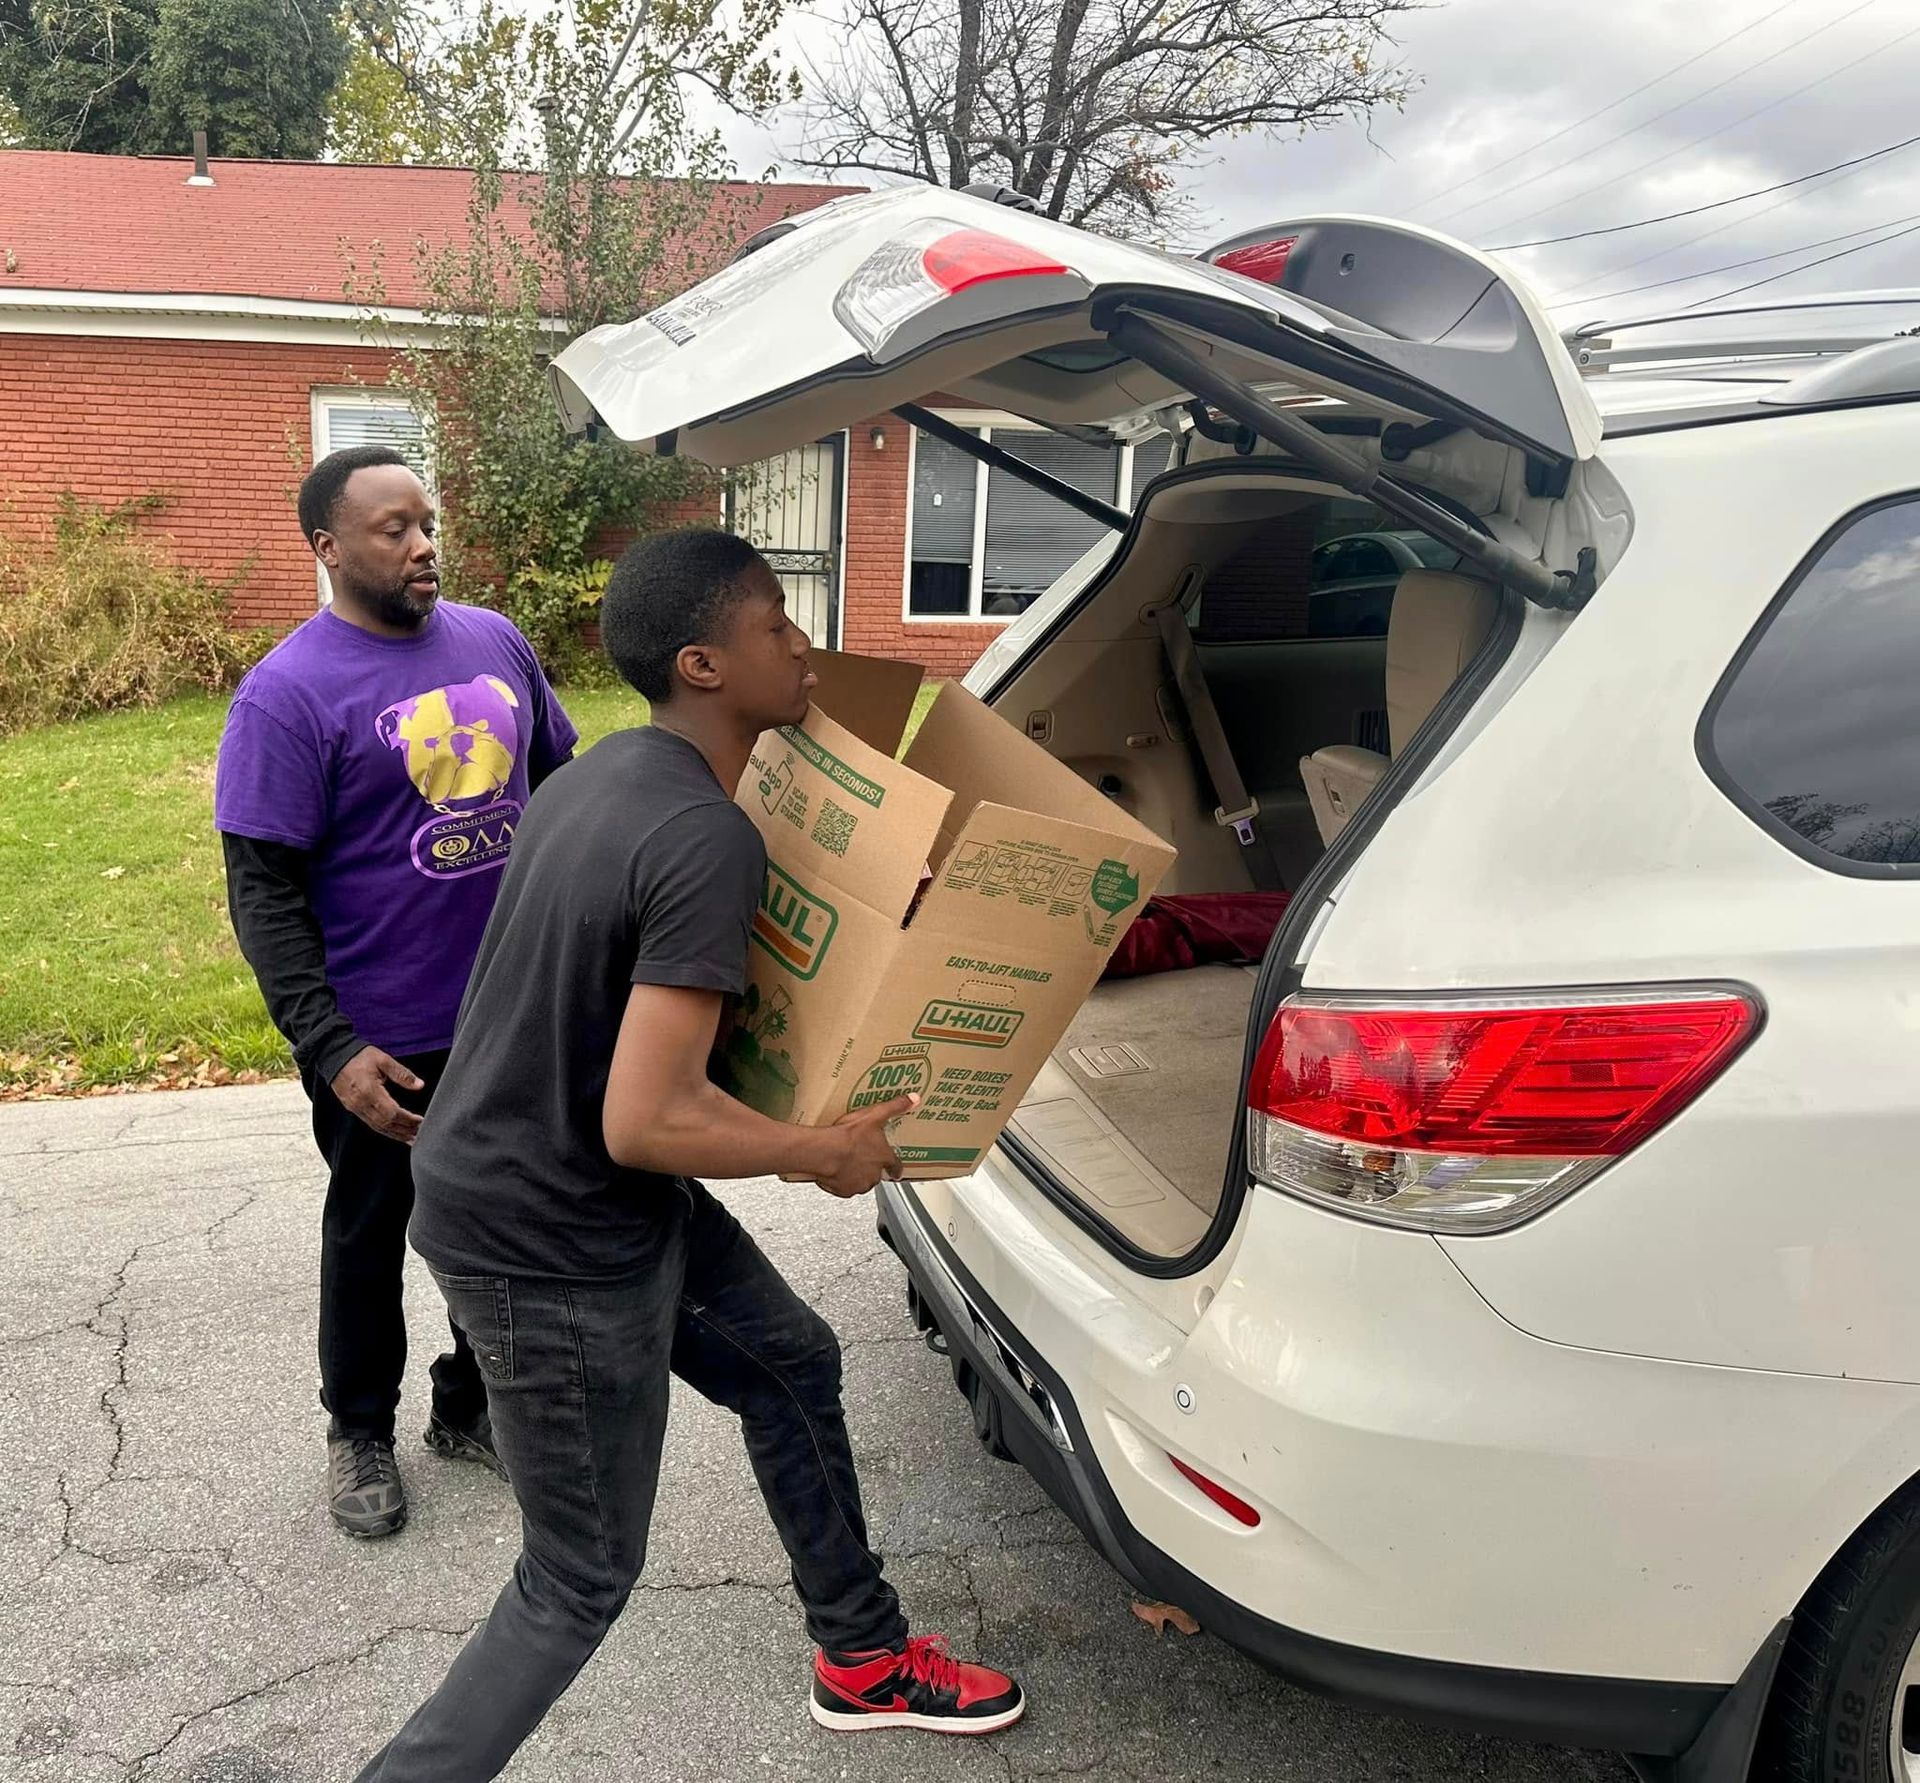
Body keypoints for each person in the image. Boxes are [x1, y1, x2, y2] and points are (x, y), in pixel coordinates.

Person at [354, 529, 1024, 1781]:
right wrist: (818, 1150)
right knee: (576, 1577)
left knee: (790, 1363)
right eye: (776, 623)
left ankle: (862, 1653)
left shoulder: (607, 775)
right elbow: (647, 1117)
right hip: (548, 1238)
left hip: (573, 1189)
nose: (804, 644)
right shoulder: (705, 835)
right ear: (704, 664)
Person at [214, 445, 578, 1541]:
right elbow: (262, 891)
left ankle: (469, 1404)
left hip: (511, 1006)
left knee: (504, 1218)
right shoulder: (286, 695)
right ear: (328, 547)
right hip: (383, 1032)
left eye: (427, 523)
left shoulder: (494, 641)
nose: (423, 545)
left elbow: (562, 789)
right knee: (373, 1232)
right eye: (394, 529)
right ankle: (359, 1427)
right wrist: (331, 1047)